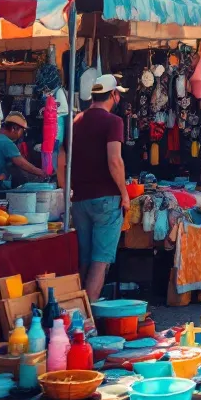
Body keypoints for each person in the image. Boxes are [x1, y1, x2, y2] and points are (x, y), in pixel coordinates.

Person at [67, 74, 131, 302]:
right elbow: (115, 160)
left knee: (84, 259)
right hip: (106, 199)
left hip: (79, 199)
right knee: (100, 261)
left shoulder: (76, 121)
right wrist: (124, 193)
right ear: (113, 95)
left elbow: (62, 160)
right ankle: (89, 316)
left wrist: (67, 189)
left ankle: (77, 312)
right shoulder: (113, 121)